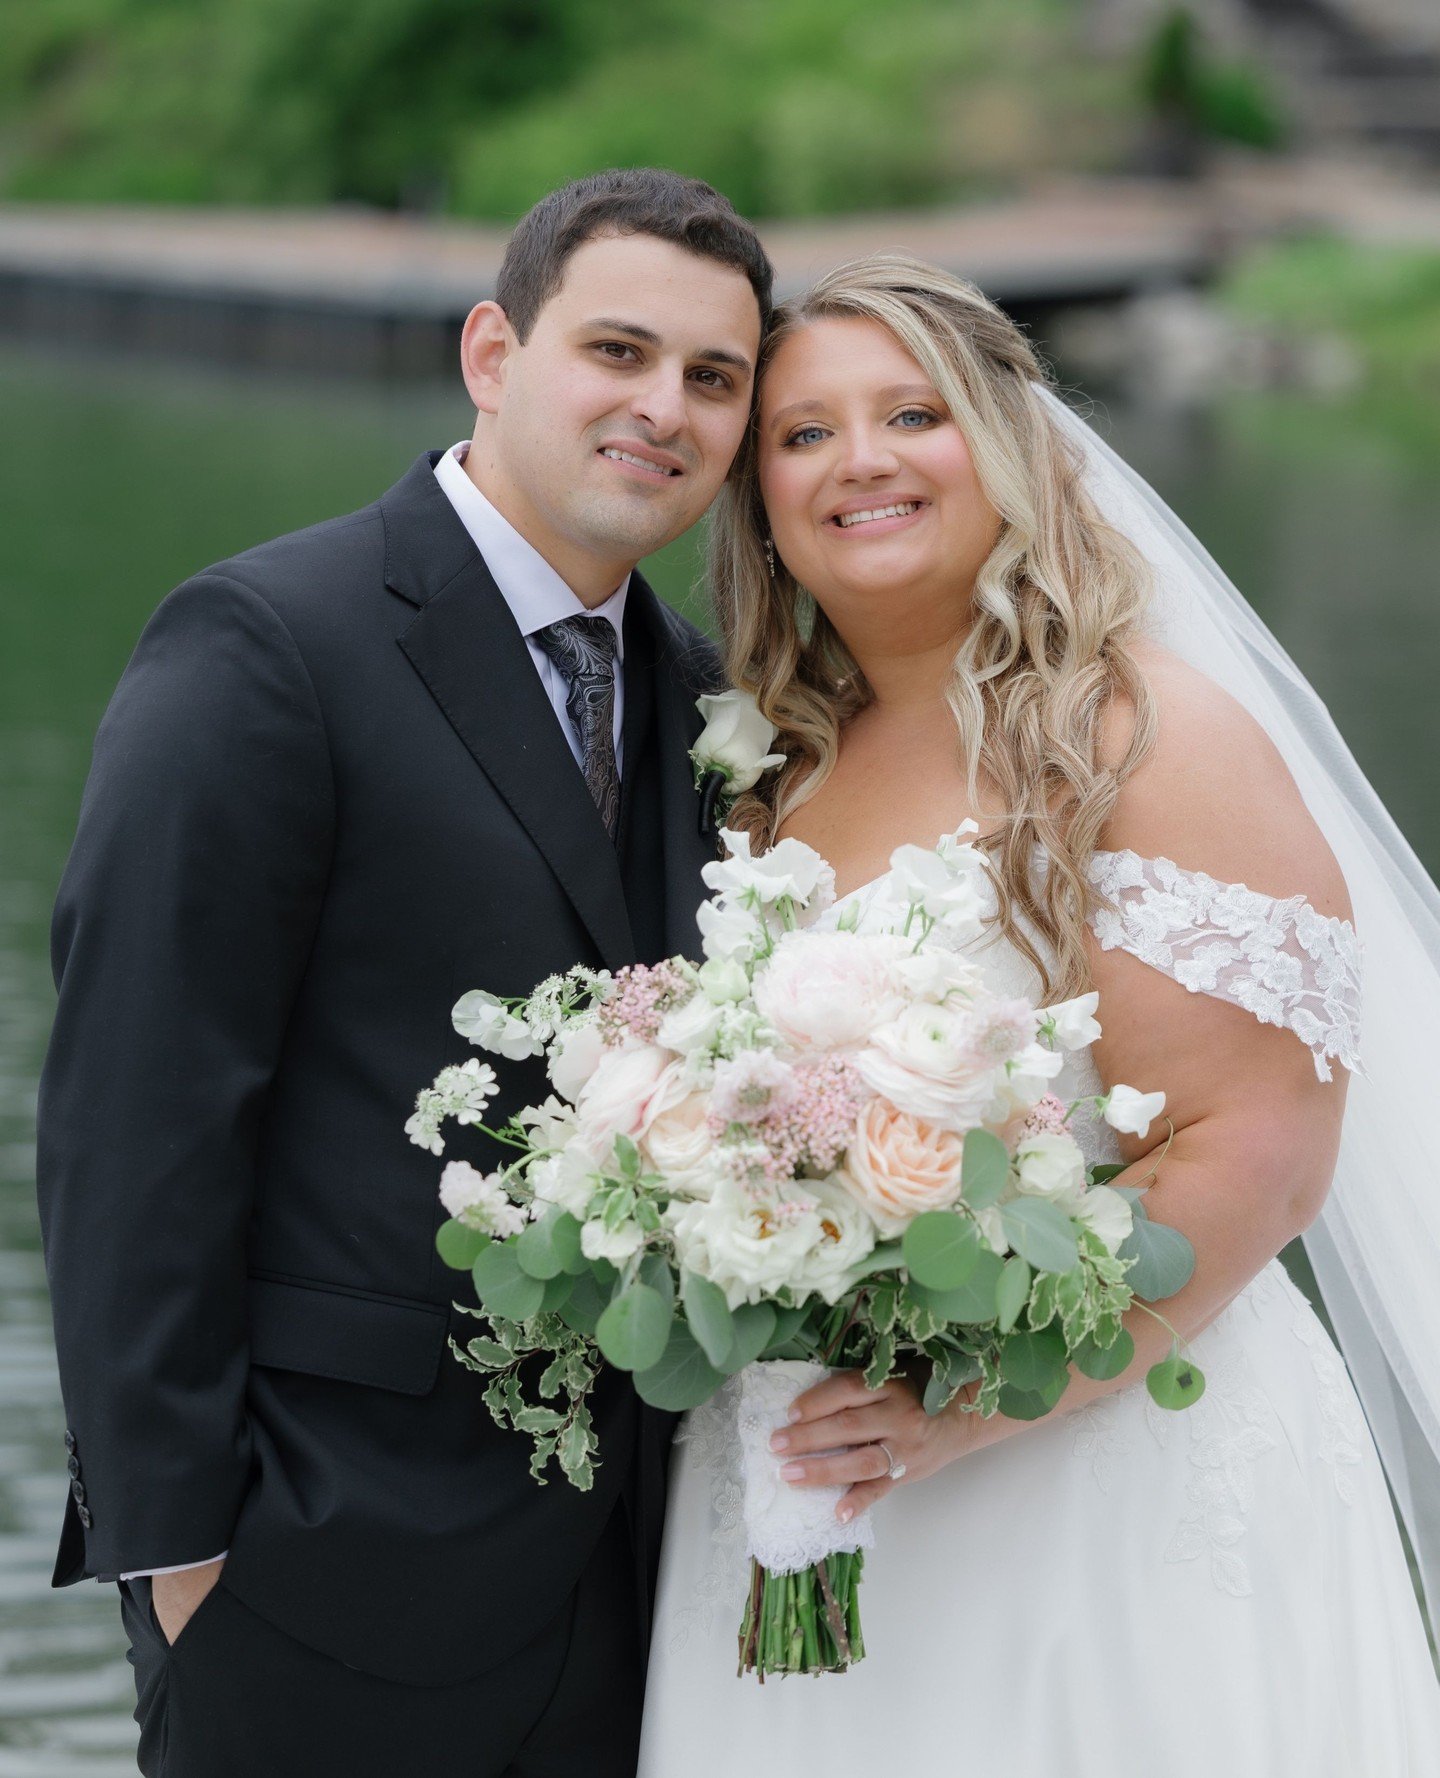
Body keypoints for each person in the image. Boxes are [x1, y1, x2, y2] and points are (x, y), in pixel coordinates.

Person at [638, 255, 1440, 1775]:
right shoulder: (773, 765)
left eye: (913, 414)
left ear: (1008, 445)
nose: (858, 461)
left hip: (1096, 1466)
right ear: (759, 499)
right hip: (800, 1466)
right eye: (803, 436)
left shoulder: (1147, 734)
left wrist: (974, 1412)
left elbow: (1259, 1148)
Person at [36, 167, 770, 1777]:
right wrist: (181, 1560)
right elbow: (134, 1122)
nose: (665, 407)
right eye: (619, 351)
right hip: (312, 1567)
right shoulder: (266, 643)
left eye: (714, 379)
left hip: (626, 1591)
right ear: (494, 352)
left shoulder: (707, 697)